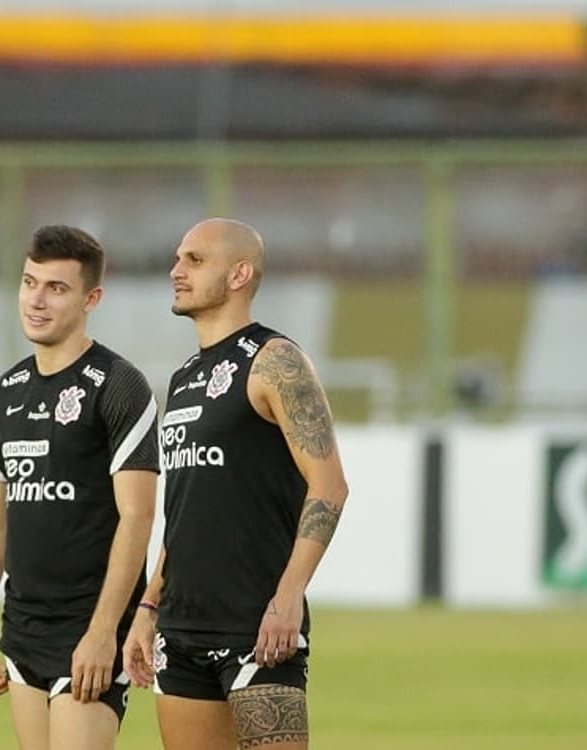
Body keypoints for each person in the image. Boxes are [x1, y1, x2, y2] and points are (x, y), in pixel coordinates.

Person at [122, 218, 350, 750]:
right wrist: (149, 606)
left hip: (257, 627)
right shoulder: (182, 378)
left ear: (239, 273)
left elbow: (330, 484)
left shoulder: (275, 361)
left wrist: (289, 596)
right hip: (179, 630)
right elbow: (184, 514)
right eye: (179, 259)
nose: (176, 271)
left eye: (195, 260)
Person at [0, 224, 161, 750]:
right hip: (24, 628)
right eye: (30, 283)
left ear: (91, 298)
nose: (37, 300)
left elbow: (138, 517)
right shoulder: (3, 394)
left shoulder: (119, 385)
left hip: (90, 627)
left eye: (56, 288)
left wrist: (102, 633)